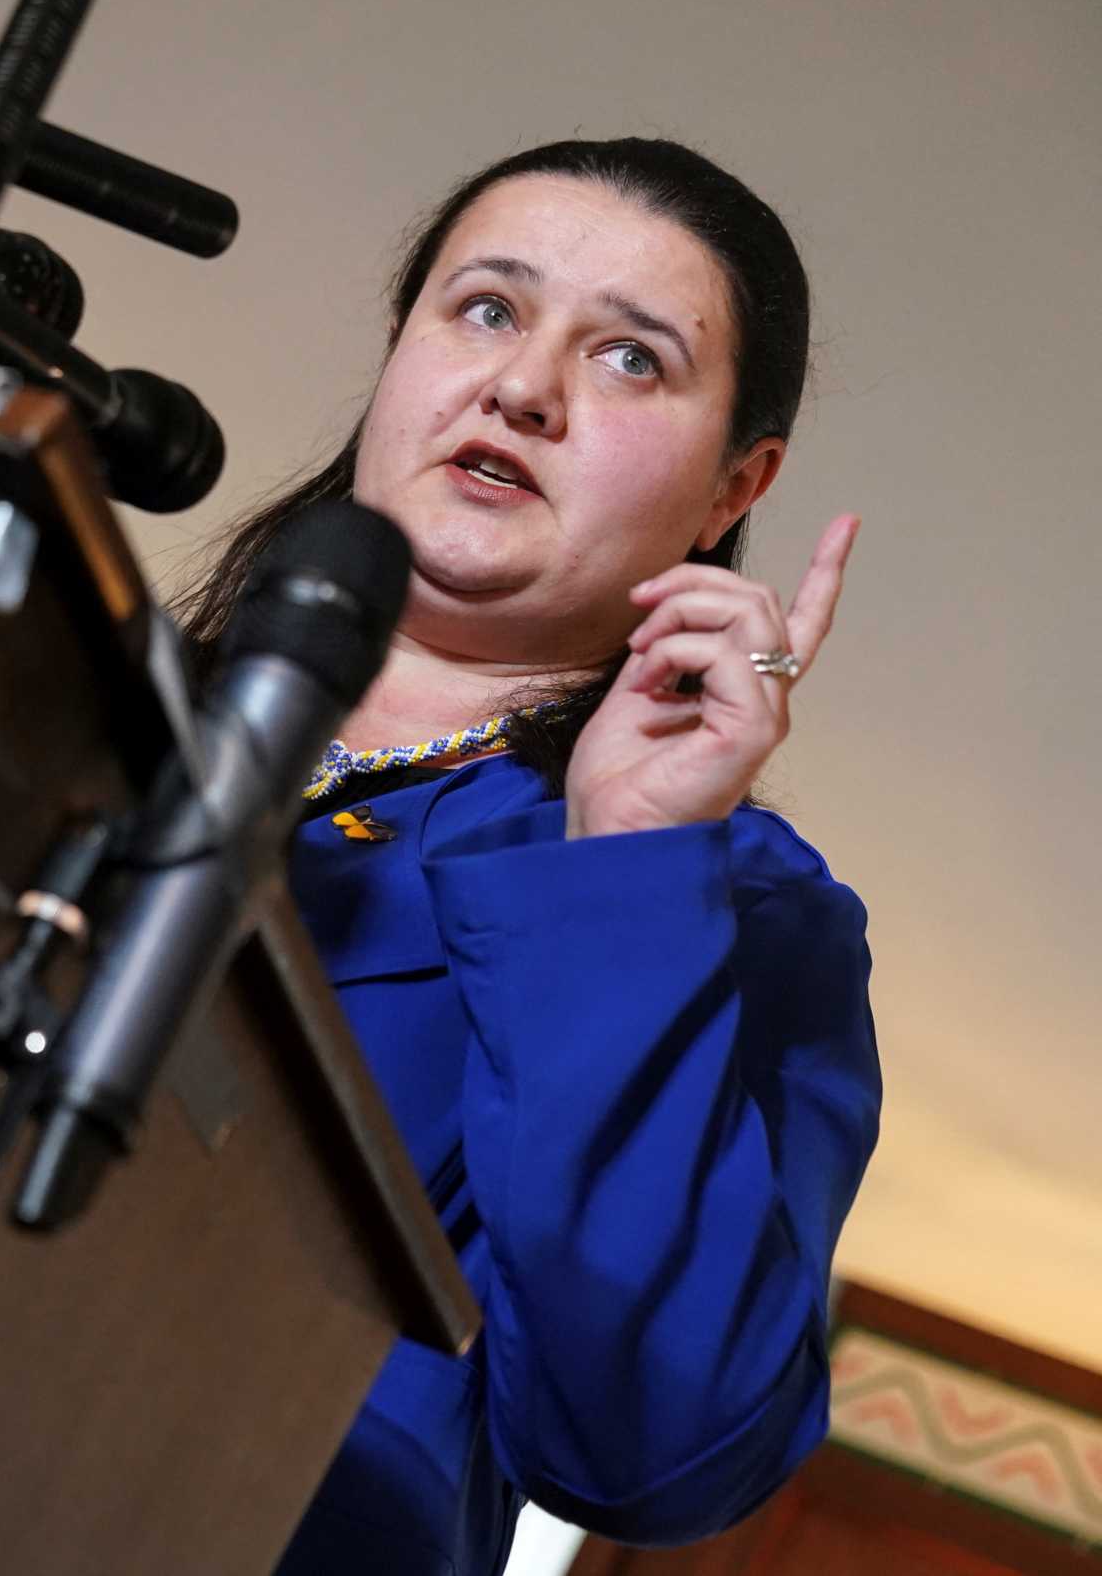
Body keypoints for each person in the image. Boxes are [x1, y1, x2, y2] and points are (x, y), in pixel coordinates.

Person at [176, 139, 882, 1575]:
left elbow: (651, 1453)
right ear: (401, 351)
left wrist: (624, 859)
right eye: (487, 309)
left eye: (631, 359)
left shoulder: (727, 900)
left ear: (736, 482)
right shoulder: (79, 691)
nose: (524, 388)